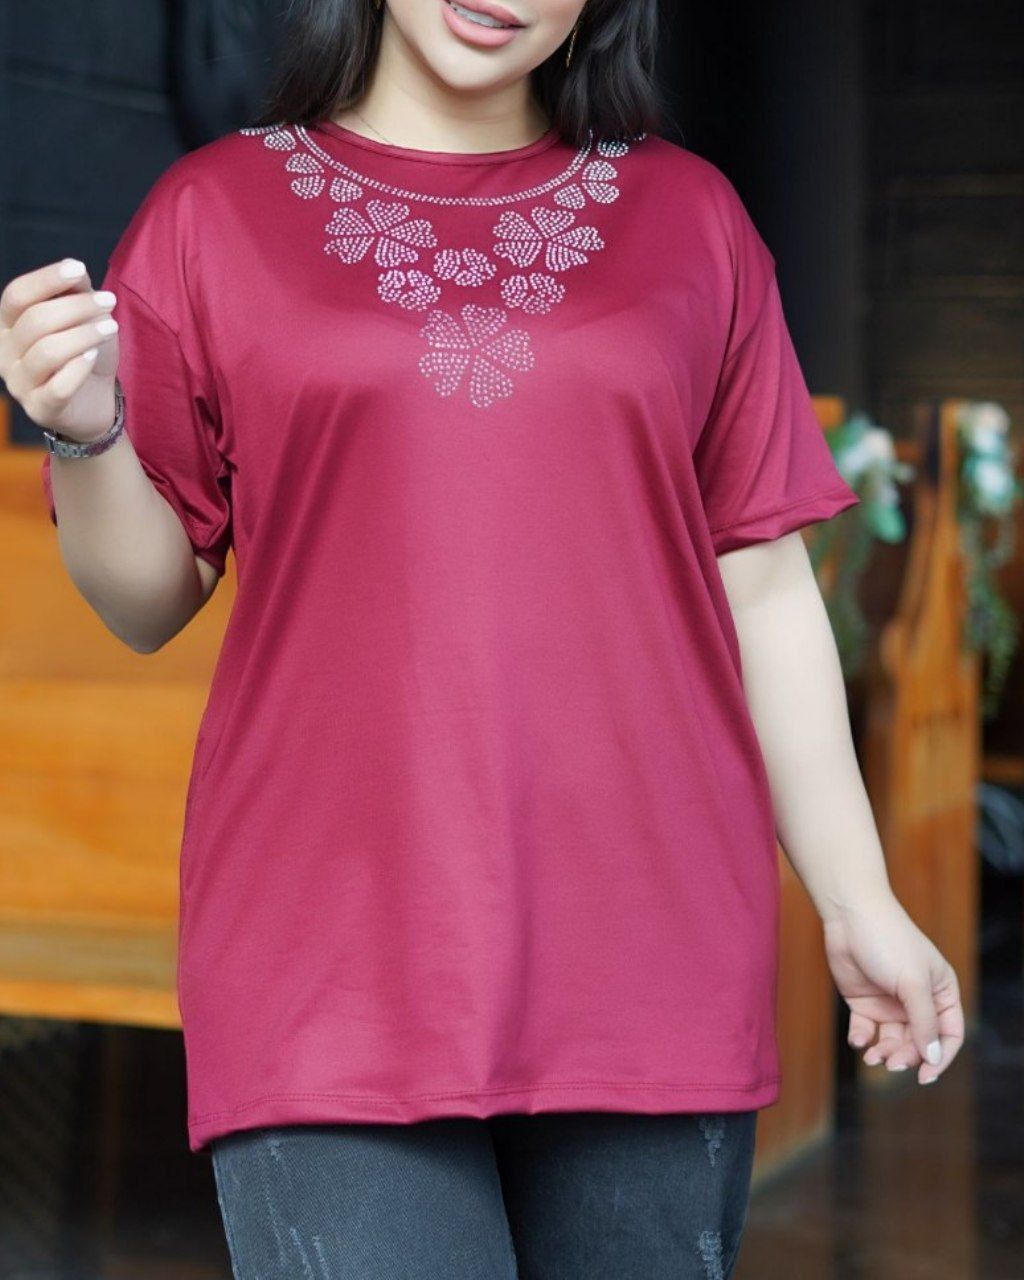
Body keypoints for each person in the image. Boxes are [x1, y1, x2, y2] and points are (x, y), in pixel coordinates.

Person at [1, 0, 965, 1275]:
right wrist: (86, 429)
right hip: (326, 944)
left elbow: (764, 587)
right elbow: (145, 601)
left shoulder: (691, 217)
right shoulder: (211, 212)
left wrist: (858, 896)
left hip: (651, 940)